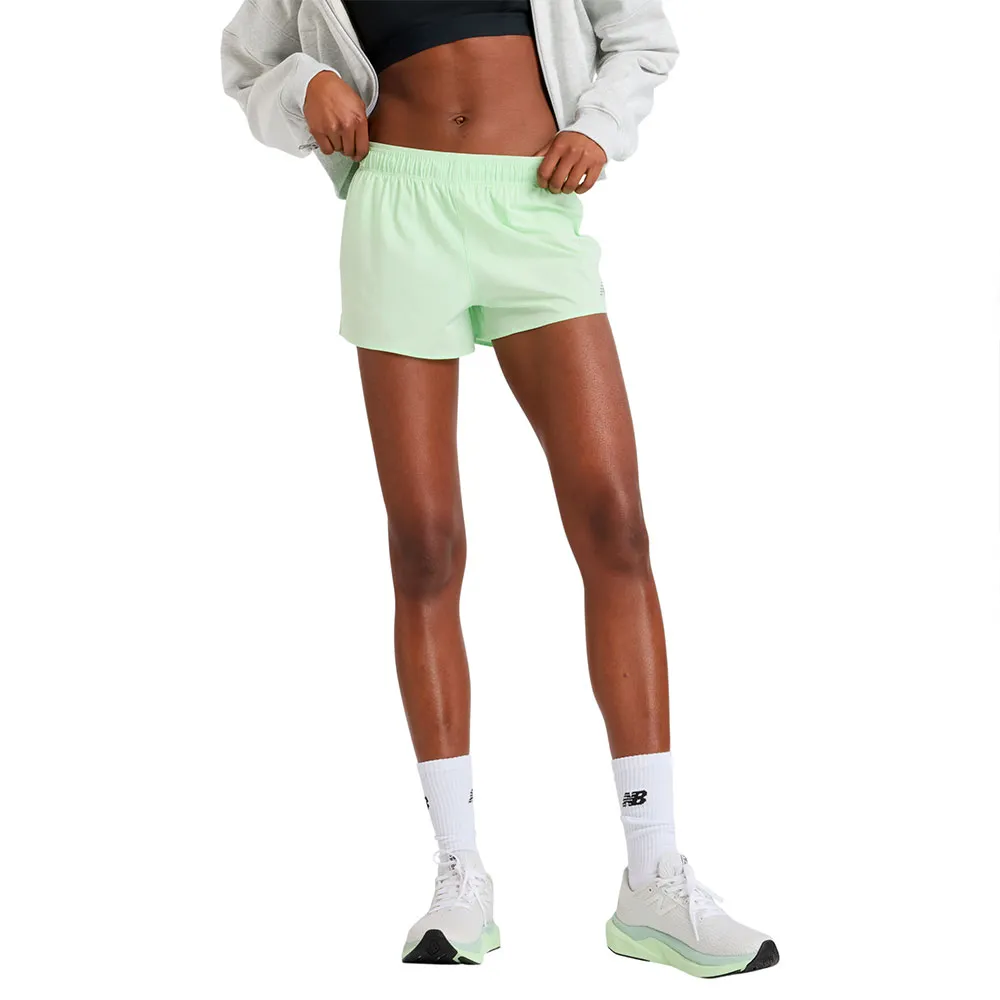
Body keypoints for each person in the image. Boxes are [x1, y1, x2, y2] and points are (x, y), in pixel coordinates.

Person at [221, 0, 778, 976]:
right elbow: (247, 66)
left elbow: (641, 37)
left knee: (616, 524)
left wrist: (598, 127)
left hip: (531, 204)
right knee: (425, 545)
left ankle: (654, 876)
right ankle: (458, 874)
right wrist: (303, 85)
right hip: (398, 207)